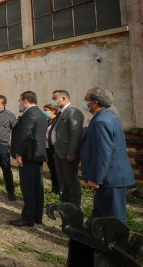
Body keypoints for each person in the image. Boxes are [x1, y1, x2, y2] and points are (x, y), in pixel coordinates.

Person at [80, 87, 134, 224]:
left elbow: (102, 153)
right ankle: (98, 242)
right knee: (101, 216)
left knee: (113, 220)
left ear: (95, 102)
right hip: (110, 178)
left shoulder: (101, 121)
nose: (84, 101)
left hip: (111, 179)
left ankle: (114, 245)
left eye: (86, 99)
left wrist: (95, 178)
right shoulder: (106, 117)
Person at [8, 91, 48, 227]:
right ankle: (37, 216)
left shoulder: (29, 114)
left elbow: (25, 136)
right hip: (37, 155)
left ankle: (27, 217)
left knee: (28, 188)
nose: (19, 104)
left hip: (29, 156)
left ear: (25, 101)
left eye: (20, 101)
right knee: (37, 187)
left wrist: (19, 154)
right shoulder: (41, 114)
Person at [50, 90, 85, 208]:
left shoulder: (73, 112)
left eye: (55, 98)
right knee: (62, 180)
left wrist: (72, 152)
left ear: (63, 98)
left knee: (71, 180)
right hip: (59, 152)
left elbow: (76, 134)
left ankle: (75, 206)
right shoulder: (61, 113)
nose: (53, 101)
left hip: (68, 153)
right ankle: (64, 202)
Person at [42, 104, 61, 194]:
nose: (44, 112)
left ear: (53, 111)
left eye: (46, 110)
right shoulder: (47, 121)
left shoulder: (57, 122)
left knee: (57, 170)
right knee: (52, 170)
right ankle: (55, 189)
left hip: (54, 149)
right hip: (47, 148)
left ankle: (59, 190)